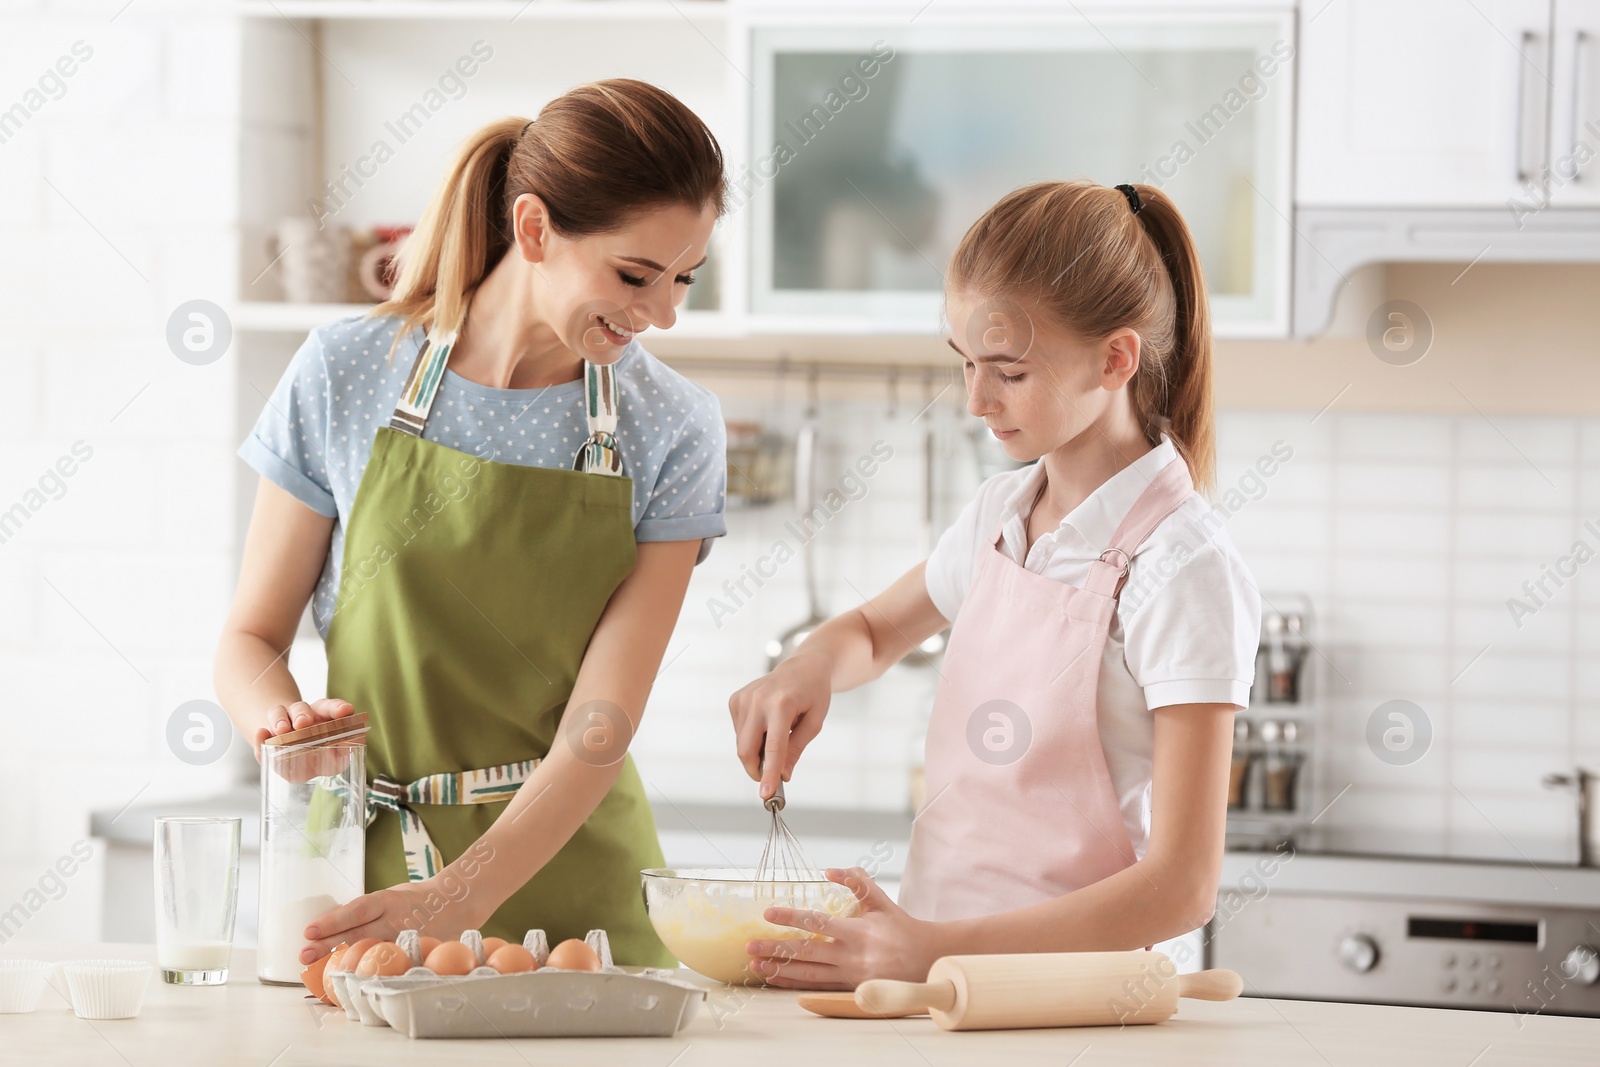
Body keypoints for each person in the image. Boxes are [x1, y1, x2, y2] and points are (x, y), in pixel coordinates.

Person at [215, 80, 728, 969]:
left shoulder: (672, 424)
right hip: (362, 886)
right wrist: (282, 726)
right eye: (635, 274)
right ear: (534, 230)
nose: (664, 313)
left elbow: (600, 724)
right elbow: (248, 639)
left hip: (581, 904)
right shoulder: (346, 371)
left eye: (684, 277)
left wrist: (458, 896)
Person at [728, 181, 1260, 989]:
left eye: (1008, 371)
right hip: (940, 988)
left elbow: (1182, 886)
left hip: (1073, 1004)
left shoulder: (1181, 565)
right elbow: (873, 633)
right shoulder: (1002, 513)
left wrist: (933, 950)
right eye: (966, 363)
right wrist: (806, 667)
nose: (976, 399)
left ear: (1116, 359)